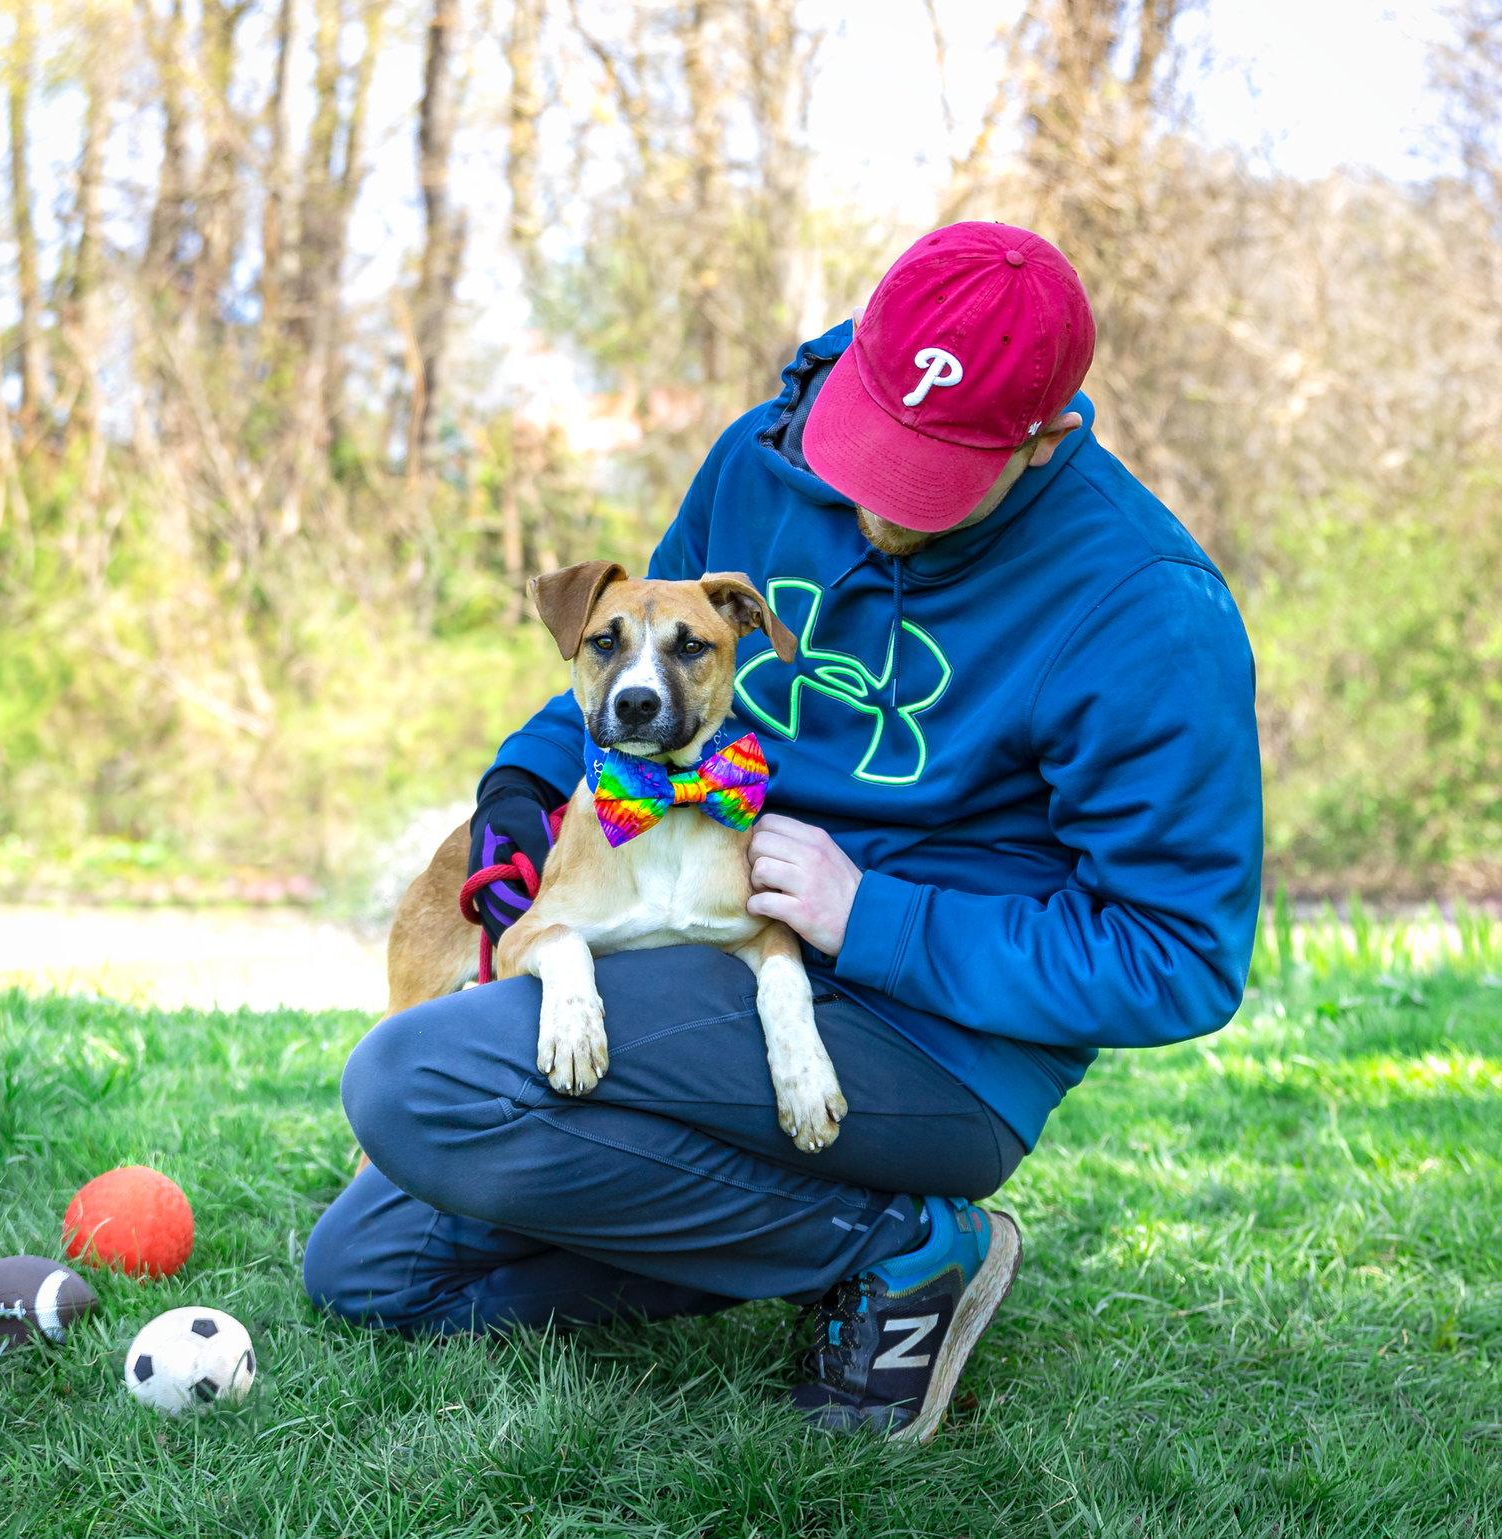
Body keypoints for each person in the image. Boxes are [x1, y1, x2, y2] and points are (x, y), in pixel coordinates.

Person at [303, 221, 1263, 1441]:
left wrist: (875, 918)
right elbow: (638, 662)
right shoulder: (763, 457)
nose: (871, 502)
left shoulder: (1146, 610)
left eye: (928, 480)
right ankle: (793, 1232)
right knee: (370, 1269)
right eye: (869, 446)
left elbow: (1177, 959)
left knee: (419, 1080)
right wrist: (522, 788)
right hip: (705, 931)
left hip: (930, 1032)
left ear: (1044, 440)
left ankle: (901, 1244)